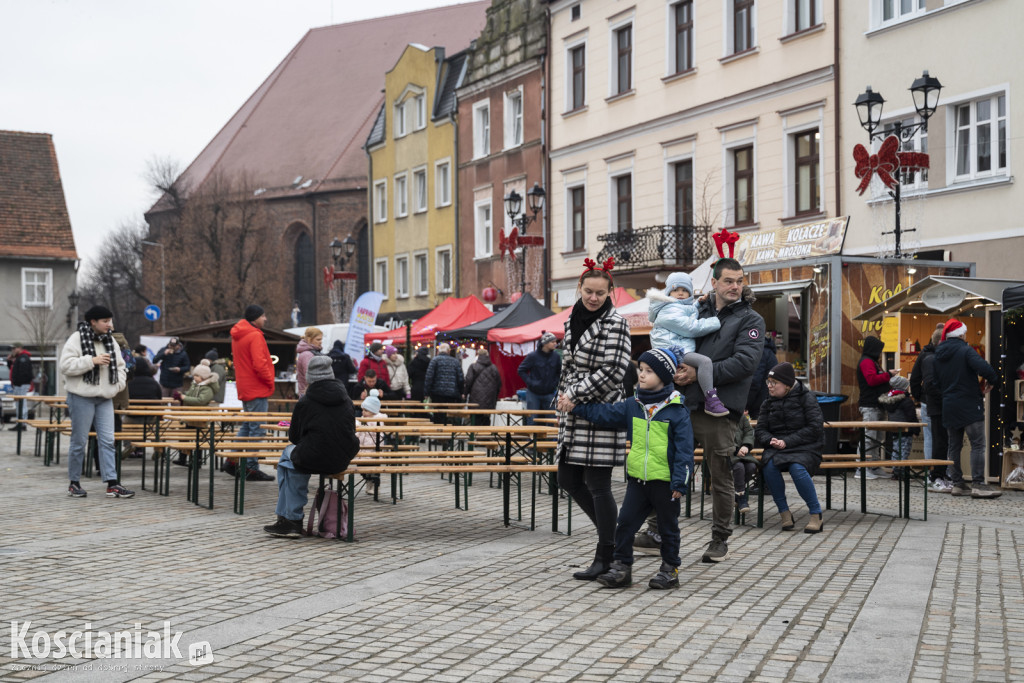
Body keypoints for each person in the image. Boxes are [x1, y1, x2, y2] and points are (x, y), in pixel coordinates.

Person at [569, 348, 693, 589]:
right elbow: (604, 414)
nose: (642, 375)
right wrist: (575, 407)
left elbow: (685, 450)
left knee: (668, 529)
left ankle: (670, 570)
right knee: (625, 524)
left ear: (664, 376)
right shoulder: (632, 405)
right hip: (638, 481)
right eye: (641, 370)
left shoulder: (677, 410)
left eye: (649, 371)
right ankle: (622, 567)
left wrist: (680, 482)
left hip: (666, 483)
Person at [670, 256, 765, 563]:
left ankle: (719, 539)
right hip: (685, 402)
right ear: (714, 283)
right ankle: (656, 529)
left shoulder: (751, 320)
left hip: (720, 409)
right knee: (667, 466)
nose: (735, 287)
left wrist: (697, 374)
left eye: (740, 281)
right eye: (728, 281)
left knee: (720, 475)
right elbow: (673, 337)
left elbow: (745, 364)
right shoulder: (698, 309)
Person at [554, 258, 631, 581]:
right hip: (572, 412)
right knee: (567, 479)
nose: (594, 298)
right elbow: (568, 364)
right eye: (589, 291)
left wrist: (575, 395)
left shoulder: (616, 322)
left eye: (600, 293)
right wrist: (560, 396)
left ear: (610, 291)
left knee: (599, 485)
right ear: (580, 288)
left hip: (598, 409)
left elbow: (614, 370)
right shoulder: (573, 318)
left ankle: (606, 552)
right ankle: (615, 539)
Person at [263, 356, 360, 537]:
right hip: (340, 459)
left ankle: (291, 519)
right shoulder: (346, 400)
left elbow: (294, 437)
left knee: (288, 457)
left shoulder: (306, 402)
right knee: (289, 461)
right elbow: (351, 430)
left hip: (312, 458)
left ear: (310, 378)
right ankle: (287, 518)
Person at [59, 305, 133, 498]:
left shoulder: (111, 341)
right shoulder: (76, 338)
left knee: (108, 441)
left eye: (110, 320)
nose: (110, 325)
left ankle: (112, 483)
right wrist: (91, 361)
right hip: (81, 396)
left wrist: (117, 386)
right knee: (79, 441)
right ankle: (74, 483)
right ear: (93, 322)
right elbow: (65, 366)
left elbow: (121, 366)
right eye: (105, 321)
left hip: (105, 398)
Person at [934, 318, 1001, 499]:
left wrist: (947, 394)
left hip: (949, 404)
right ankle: (978, 484)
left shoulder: (938, 353)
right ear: (961, 334)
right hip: (970, 404)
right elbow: (985, 369)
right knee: (978, 444)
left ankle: (958, 484)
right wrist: (992, 382)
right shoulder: (965, 350)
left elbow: (934, 383)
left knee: (953, 446)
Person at [754, 362, 825, 533]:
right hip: (777, 447)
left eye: (774, 383)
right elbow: (760, 429)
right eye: (768, 382)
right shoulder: (768, 403)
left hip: (806, 447)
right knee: (769, 467)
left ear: (786, 385)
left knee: (797, 468)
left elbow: (815, 427)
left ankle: (816, 514)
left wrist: (787, 442)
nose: (769, 387)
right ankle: (784, 512)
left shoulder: (806, 397)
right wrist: (770, 440)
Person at [647, 272, 727, 416]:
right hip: (672, 350)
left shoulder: (675, 306)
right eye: (676, 290)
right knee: (705, 362)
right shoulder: (668, 310)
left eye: (685, 290)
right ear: (668, 292)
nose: (680, 293)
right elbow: (690, 327)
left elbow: (686, 311)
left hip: (674, 348)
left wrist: (698, 303)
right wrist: (716, 321)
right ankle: (711, 400)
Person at [229, 304, 276, 481]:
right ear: (255, 318)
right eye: (263, 316)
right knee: (257, 429)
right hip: (257, 387)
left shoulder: (238, 335)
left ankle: (233, 460)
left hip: (245, 386)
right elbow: (260, 364)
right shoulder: (255, 335)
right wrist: (269, 380)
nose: (265, 319)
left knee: (248, 426)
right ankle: (251, 467)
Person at [911, 326, 949, 490]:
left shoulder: (924, 354)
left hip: (927, 401)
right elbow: (922, 381)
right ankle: (935, 473)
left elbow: (914, 378)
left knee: (931, 438)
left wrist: (919, 396)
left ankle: (931, 472)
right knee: (938, 438)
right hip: (933, 402)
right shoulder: (932, 358)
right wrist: (921, 396)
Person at [856, 335, 891, 480]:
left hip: (877, 404)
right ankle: (861, 468)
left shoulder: (871, 362)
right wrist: (888, 375)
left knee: (877, 438)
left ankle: (874, 466)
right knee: (869, 437)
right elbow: (871, 380)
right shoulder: (866, 362)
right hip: (870, 404)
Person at [517, 332, 562, 424]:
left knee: (552, 420)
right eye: (553, 342)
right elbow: (521, 370)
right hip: (533, 393)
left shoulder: (556, 357)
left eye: (555, 342)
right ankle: (531, 438)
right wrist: (531, 382)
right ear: (545, 343)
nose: (555, 344)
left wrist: (555, 383)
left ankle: (551, 438)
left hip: (550, 393)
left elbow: (560, 372)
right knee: (532, 419)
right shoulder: (532, 356)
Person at [878, 375, 919, 465]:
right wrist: (916, 430)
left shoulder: (889, 399)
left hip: (895, 430)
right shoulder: (906, 401)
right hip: (906, 430)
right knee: (904, 451)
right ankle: (900, 472)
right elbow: (911, 416)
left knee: (896, 450)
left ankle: (895, 470)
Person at [356, 392, 386, 496]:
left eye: (366, 410)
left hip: (374, 450)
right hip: (363, 449)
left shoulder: (378, 421)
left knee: (374, 469)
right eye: (363, 410)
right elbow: (358, 433)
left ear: (373, 411)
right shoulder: (362, 420)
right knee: (360, 467)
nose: (363, 412)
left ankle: (374, 484)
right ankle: (369, 480)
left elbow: (379, 436)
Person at [424, 342, 465, 416]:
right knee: (450, 416)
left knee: (438, 416)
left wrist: (426, 393)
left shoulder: (434, 360)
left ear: (438, 351)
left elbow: (429, 377)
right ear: (448, 351)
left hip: (437, 393)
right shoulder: (455, 361)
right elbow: (460, 378)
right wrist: (462, 392)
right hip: (452, 393)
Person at [464, 349, 502, 426]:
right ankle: (485, 437)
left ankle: (475, 436)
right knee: (486, 419)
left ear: (478, 355)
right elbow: (499, 384)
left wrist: (465, 393)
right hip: (490, 399)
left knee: (475, 419)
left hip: (475, 398)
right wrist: (495, 396)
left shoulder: (473, 366)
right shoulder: (494, 368)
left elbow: (468, 382)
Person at [746, 334, 778, 419]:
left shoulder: (761, 352)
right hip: (768, 401)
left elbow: (755, 381)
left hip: (760, 403)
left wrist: (746, 404)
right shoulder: (768, 351)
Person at [731, 413, 757, 514]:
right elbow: (720, 436)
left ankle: (736, 495)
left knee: (751, 466)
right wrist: (735, 449)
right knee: (739, 467)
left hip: (743, 453)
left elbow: (749, 431)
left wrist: (746, 445)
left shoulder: (740, 416)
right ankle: (741, 497)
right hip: (726, 453)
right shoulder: (720, 416)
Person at [6, 343, 34, 431]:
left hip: (21, 384)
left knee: (22, 404)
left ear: (19, 348)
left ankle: (22, 424)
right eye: (12, 349)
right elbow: (12, 369)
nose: (12, 351)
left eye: (14, 349)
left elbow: (24, 373)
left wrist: (18, 382)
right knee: (19, 405)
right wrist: (9, 361)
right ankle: (20, 423)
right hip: (18, 384)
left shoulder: (23, 358)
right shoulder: (18, 358)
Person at [295, 326, 323, 398]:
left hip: (309, 392)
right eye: (318, 339)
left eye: (321, 339)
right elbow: (310, 376)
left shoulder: (310, 353)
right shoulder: (307, 355)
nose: (321, 342)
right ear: (310, 340)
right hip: (310, 394)